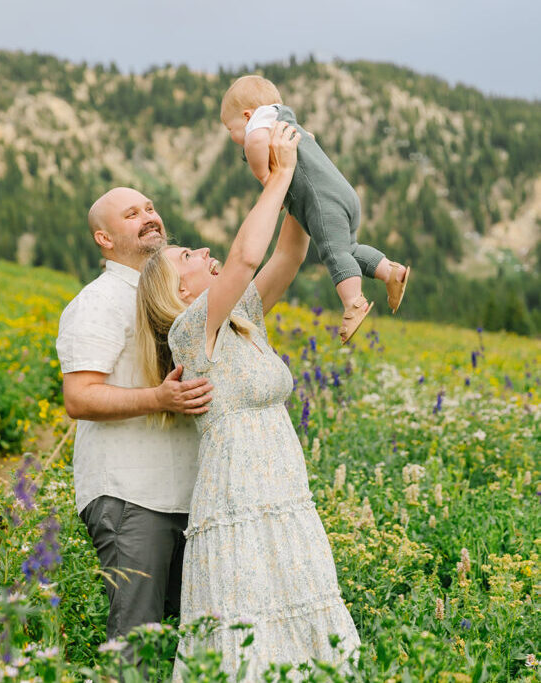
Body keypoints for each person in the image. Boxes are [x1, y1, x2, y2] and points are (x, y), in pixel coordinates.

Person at [136, 122, 361, 681]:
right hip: (239, 498)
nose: (203, 250)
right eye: (188, 254)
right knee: (250, 632)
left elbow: (290, 248)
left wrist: (291, 167)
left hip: (283, 492)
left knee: (300, 621)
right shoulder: (191, 331)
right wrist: (278, 177)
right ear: (180, 291)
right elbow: (242, 258)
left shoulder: (243, 318)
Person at [55, 187, 215, 657]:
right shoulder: (100, 301)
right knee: (136, 645)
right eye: (131, 214)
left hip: (188, 495)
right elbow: (79, 397)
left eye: (149, 208)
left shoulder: (178, 293)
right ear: (104, 238)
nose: (148, 217)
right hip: (131, 494)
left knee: (197, 644)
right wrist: (160, 396)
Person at [221, 74, 410, 344]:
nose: (232, 137)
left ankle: (353, 303)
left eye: (231, 129)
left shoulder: (258, 127)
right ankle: (392, 272)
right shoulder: (290, 123)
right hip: (344, 193)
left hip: (323, 203)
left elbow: (253, 142)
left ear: (248, 115)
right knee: (349, 249)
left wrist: (266, 179)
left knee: (333, 254)